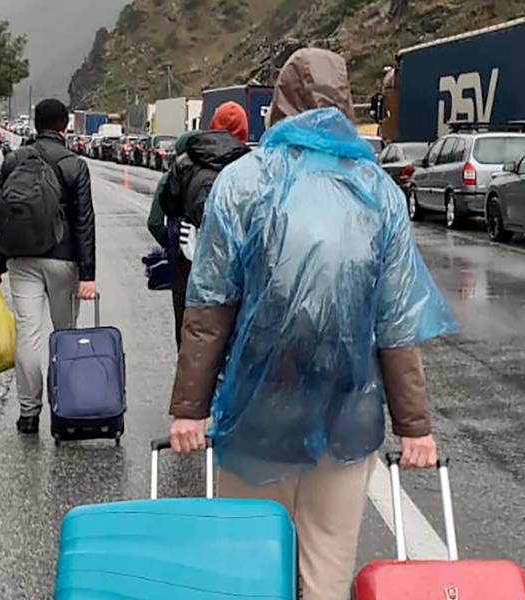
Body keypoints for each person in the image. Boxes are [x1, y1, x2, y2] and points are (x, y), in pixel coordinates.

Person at [167, 49, 457, 600]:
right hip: (347, 406)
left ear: (279, 104)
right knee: (326, 562)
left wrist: (189, 410)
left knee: (248, 561)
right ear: (344, 103)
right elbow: (396, 322)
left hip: (259, 403)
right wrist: (414, 426)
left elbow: (209, 307)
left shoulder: (243, 182)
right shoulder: (379, 192)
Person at [0, 98, 97, 434]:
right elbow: (84, 223)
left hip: (21, 260)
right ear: (65, 126)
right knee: (64, 336)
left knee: (28, 335)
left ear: (35, 125)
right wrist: (88, 275)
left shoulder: (13, 161)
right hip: (63, 261)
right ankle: (65, 410)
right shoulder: (74, 164)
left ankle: (29, 413)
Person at [158, 102, 251, 347]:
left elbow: (167, 205)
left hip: (188, 256)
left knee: (190, 325)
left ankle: (191, 376)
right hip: (235, 259)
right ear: (243, 131)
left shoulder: (185, 162)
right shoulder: (250, 164)